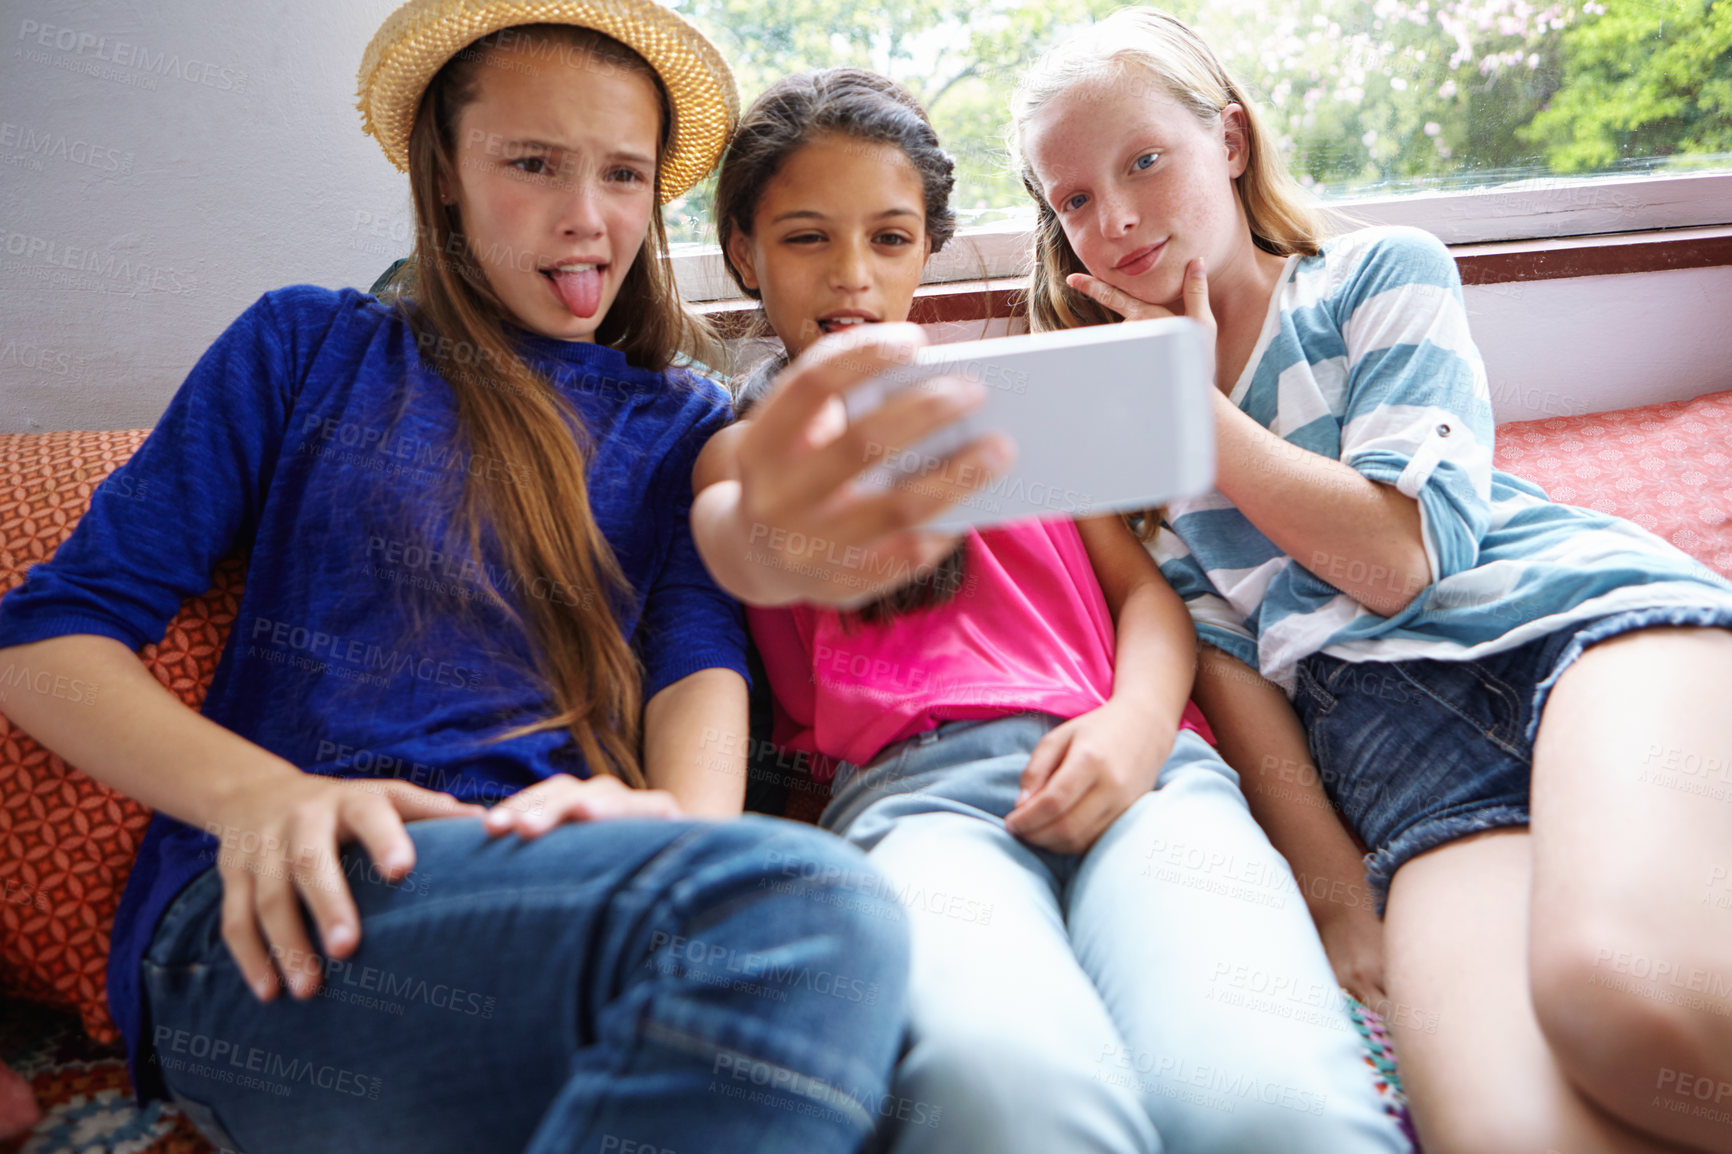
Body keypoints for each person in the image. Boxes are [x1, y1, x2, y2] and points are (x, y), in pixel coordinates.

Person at [0, 6, 914, 1153]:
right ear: (445, 176)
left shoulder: (681, 426)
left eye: (623, 175)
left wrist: (670, 832)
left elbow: (696, 670)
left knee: (871, 1018)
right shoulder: (306, 348)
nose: (588, 218)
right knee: (811, 909)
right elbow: (45, 638)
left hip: (566, 901)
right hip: (292, 915)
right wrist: (262, 798)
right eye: (533, 164)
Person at [1006, 9, 1732, 1154]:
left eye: (1143, 159)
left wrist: (1187, 407)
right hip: (1397, 761)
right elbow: (1227, 664)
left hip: (1575, 633)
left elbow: (1397, 557)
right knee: (1501, 1129)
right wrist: (1336, 891)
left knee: (1621, 998)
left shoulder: (1374, 274)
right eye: (1075, 200)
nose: (1119, 215)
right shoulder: (1122, 461)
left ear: (1230, 142)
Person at [693, 67, 1411, 1154]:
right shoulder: (744, 452)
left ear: (925, 249)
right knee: (1000, 1093)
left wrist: (1133, 732)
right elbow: (748, 543)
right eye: (804, 239)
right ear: (743, 250)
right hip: (915, 807)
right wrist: (809, 528)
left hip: (1148, 776)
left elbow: (1150, 604)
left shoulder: (1016, 404)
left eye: (889, 238)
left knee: (1267, 1100)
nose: (851, 275)